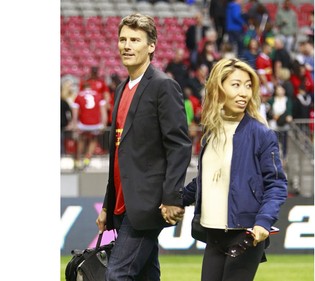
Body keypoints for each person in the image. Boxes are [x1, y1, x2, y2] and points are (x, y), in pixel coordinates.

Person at [95, 13, 192, 281]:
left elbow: (179, 145)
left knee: (118, 275)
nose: (127, 45)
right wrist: (107, 204)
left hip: (147, 204)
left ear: (151, 46)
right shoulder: (121, 89)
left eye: (135, 40)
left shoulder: (163, 86)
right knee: (146, 276)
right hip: (123, 204)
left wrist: (172, 197)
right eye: (123, 39)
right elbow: (118, 155)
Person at [183, 58, 288, 281]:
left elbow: (277, 184)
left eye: (248, 86)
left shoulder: (262, 134)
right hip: (213, 235)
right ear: (218, 89)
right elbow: (205, 180)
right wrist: (174, 200)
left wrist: (263, 222)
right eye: (236, 85)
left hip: (246, 235)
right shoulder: (210, 132)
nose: (244, 93)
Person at [71, 81, 108, 170]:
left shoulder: (79, 96)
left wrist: (74, 124)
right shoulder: (98, 95)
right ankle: (87, 158)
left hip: (83, 124)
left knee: (81, 139)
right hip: (95, 124)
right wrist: (104, 123)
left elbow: (75, 112)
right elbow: (103, 111)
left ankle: (79, 159)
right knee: (93, 140)